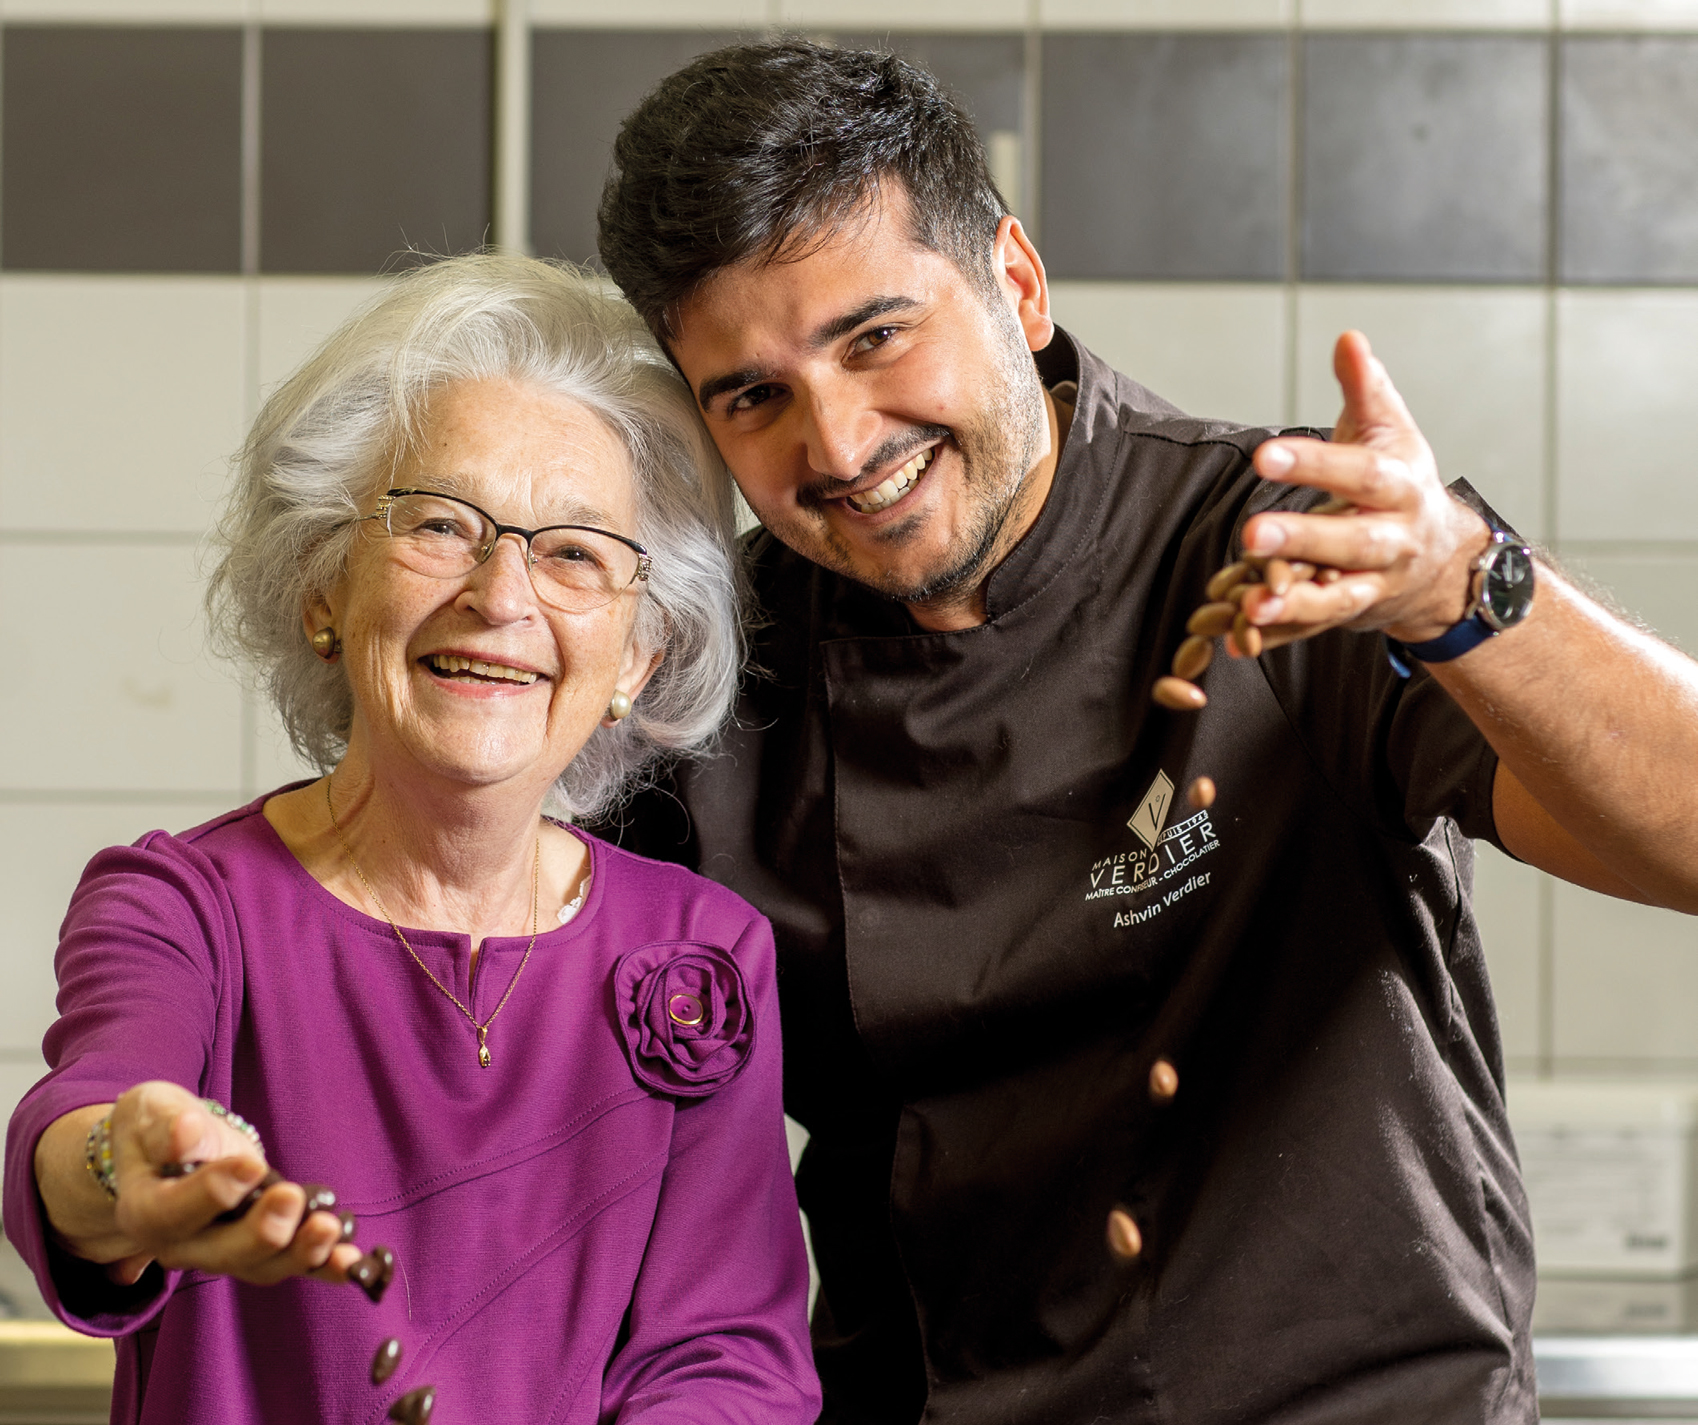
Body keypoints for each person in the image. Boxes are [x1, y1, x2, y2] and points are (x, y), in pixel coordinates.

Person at [592, 39, 1698, 1425]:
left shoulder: (1286, 552)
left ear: (1014, 279)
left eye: (874, 338)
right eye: (753, 395)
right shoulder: (711, 681)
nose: (838, 444)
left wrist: (1458, 582)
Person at [2, 254, 821, 1425]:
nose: (502, 596)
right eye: (442, 523)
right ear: (325, 586)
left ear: (639, 656)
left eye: (576, 551)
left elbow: (726, 1364)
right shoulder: (185, 905)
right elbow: (84, 1131)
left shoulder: (702, 948)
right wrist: (119, 1171)